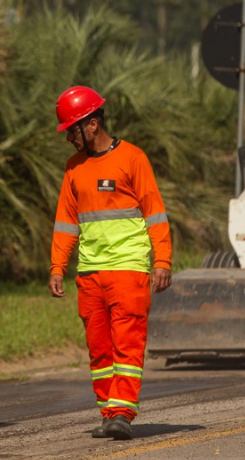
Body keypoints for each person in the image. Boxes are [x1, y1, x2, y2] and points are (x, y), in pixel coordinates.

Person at [48, 86, 172, 441]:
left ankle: (122, 412)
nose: (69, 137)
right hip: (90, 273)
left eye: (72, 129)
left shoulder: (133, 159)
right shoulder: (74, 168)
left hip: (128, 267)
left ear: (92, 124)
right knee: (99, 347)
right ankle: (108, 411)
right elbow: (65, 222)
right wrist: (58, 266)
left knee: (127, 343)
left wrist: (162, 258)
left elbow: (155, 212)